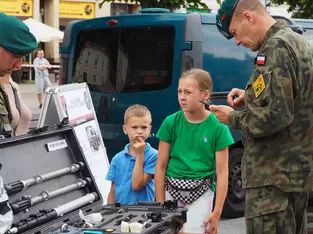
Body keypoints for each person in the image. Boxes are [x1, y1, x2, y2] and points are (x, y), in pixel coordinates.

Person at [211, 0, 313, 233]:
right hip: (294, 176)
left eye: (235, 33)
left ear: (249, 17)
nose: (237, 41)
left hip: (271, 180)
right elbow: (297, 95)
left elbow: (276, 116)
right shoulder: (297, 41)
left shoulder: (275, 49)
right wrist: (248, 96)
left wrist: (233, 118)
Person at [155, 69, 234, 234]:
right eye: (179, 91)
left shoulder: (218, 127)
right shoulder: (170, 122)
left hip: (202, 191)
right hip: (171, 188)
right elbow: (161, 166)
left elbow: (222, 173)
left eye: (188, 92)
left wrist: (217, 212)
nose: (182, 97)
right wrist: (160, 204)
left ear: (205, 95)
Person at [106, 104, 158, 205]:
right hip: (119, 211)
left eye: (144, 127)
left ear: (149, 129)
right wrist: (109, 211)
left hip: (142, 213)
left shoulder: (154, 156)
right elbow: (113, 190)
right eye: (134, 127)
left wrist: (140, 154)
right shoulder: (117, 158)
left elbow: (136, 185)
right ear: (125, 129)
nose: (139, 131)